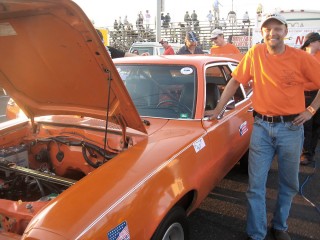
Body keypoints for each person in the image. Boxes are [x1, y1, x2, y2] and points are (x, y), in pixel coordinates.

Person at [207, 13, 320, 240]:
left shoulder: (300, 57)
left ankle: (280, 226)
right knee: (255, 186)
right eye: (268, 29)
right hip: (261, 127)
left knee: (288, 184)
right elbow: (235, 80)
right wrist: (218, 109)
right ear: (262, 32)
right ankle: (256, 234)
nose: (272, 33)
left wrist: (311, 110)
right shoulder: (255, 53)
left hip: (291, 130)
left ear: (285, 32)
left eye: (277, 28)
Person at [299, 32, 320, 165]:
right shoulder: (299, 56)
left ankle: (309, 153)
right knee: (305, 125)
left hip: (317, 95)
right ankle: (304, 153)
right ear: (312, 42)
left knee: (316, 125)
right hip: (301, 95)